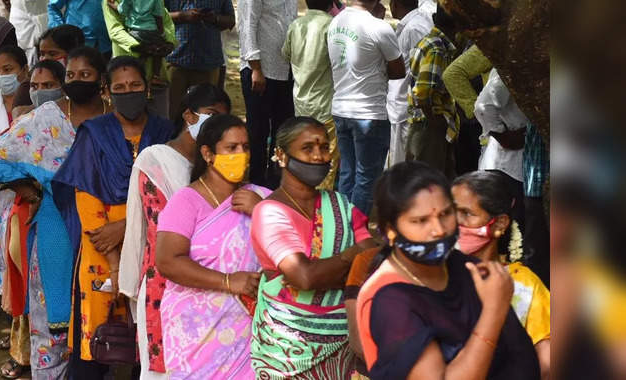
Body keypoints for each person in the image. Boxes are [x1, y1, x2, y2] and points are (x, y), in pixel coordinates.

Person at [0, 58, 96, 380]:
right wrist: (35, 192)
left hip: (102, 235)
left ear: (101, 80)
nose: (78, 80)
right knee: (47, 325)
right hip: (55, 232)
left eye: (86, 75)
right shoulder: (45, 120)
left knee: (98, 326)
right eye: (72, 75)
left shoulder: (113, 121)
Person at [356, 162, 540, 379]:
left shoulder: (464, 267)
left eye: (445, 214)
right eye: (420, 221)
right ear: (390, 230)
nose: (439, 230)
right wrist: (494, 310)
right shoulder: (389, 298)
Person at [51, 56, 173, 378]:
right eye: (120, 87)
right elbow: (85, 195)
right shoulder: (93, 133)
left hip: (152, 246)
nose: (128, 92)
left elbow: (173, 194)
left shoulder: (165, 131)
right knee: (97, 337)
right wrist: (117, 260)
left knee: (147, 331)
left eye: (135, 85)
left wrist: (129, 227)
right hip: (101, 248)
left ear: (147, 89)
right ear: (107, 91)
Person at [249, 117, 377, 378]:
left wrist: (333, 270)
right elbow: (304, 276)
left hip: (343, 348)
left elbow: (372, 260)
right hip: (287, 353)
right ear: (281, 156)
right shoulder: (270, 212)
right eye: (307, 148)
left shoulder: (339, 203)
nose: (319, 156)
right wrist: (351, 257)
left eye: (324, 147)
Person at [119, 84, 231, 379]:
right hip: (163, 283)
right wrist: (130, 283)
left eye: (223, 118)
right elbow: (140, 226)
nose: (216, 124)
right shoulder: (154, 161)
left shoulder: (222, 169)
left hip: (212, 284)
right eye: (211, 115)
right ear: (188, 116)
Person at [155, 114, 268, 379]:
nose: (241, 154)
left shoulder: (262, 197)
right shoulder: (186, 202)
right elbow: (168, 261)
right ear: (207, 153)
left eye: (246, 146)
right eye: (231, 148)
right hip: (197, 332)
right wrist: (229, 282)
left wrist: (262, 211)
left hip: (248, 331)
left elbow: (292, 245)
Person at [451, 171, 550, 378]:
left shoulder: (524, 285)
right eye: (450, 213)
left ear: (499, 224)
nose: (454, 224)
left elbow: (547, 363)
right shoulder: (434, 274)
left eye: (467, 214)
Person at [327, 0, 405, 214]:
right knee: (366, 177)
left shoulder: (336, 21)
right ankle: (353, 231)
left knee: (348, 173)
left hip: (340, 108)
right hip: (368, 113)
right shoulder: (380, 28)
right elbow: (398, 71)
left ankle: (339, 227)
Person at [237, 0, 308, 186]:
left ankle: (277, 179)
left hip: (285, 71)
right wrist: (256, 68)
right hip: (260, 71)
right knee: (258, 130)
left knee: (283, 129)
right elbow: (247, 27)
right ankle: (256, 180)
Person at [157, 0, 235, 120]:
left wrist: (213, 18)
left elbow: (230, 20)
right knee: (173, 112)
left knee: (204, 113)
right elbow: (157, 17)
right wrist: (182, 16)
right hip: (175, 58)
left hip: (208, 60)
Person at [282, 0, 338, 190]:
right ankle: (321, 208)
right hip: (325, 104)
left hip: (301, 101)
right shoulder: (332, 26)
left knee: (303, 152)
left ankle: (302, 196)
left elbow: (285, 54)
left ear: (306, 1)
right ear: (332, 1)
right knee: (326, 159)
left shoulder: (296, 25)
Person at [103, 0, 175, 118]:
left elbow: (168, 22)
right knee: (128, 120)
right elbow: (115, 30)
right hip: (126, 72)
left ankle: (151, 75)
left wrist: (170, 43)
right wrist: (147, 44)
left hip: (154, 74)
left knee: (158, 121)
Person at [405, 6, 461, 177]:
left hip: (425, 122)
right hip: (428, 125)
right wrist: (435, 120)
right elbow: (422, 93)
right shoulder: (437, 49)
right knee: (427, 180)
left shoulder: (429, 41)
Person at [386, 0, 433, 167]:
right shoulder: (412, 24)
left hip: (406, 107)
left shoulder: (415, 28)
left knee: (402, 164)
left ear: (394, 3)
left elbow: (421, 70)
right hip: (400, 105)